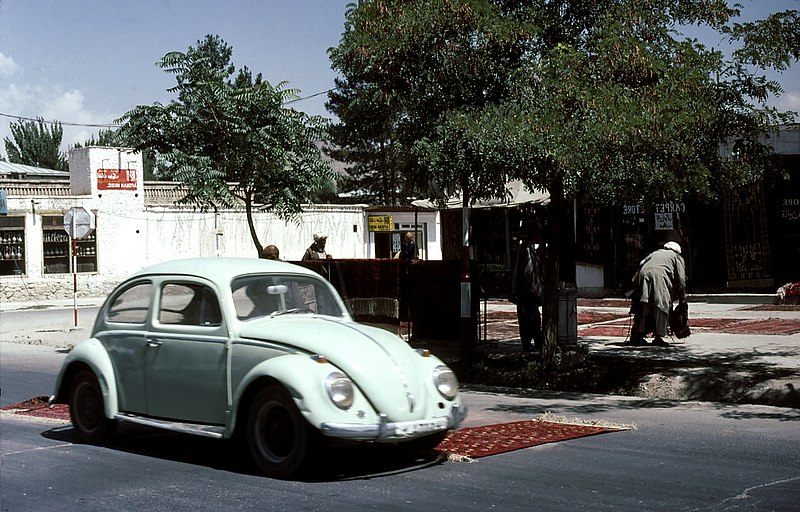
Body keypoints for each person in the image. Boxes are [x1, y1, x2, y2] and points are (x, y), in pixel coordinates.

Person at [629, 241, 687, 347]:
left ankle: (639, 334)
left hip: (644, 274)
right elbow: (681, 279)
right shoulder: (677, 257)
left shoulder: (655, 253)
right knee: (661, 306)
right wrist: (682, 297)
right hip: (659, 277)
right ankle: (659, 336)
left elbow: (641, 263)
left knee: (644, 304)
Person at [510, 231, 544, 353]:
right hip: (527, 292)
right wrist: (535, 289)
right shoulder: (527, 250)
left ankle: (531, 343)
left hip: (526, 292)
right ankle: (532, 343)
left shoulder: (528, 249)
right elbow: (528, 272)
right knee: (531, 319)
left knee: (529, 319)